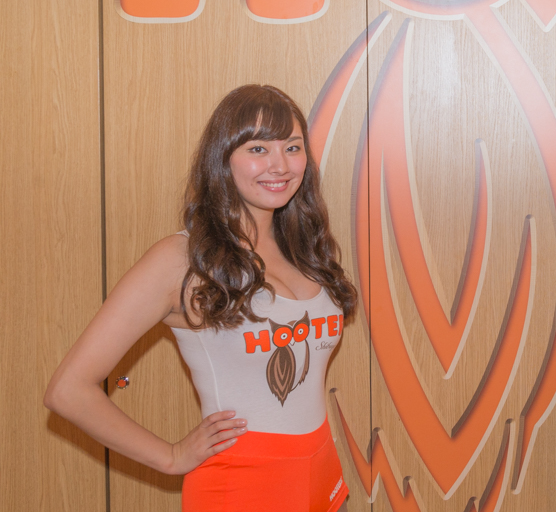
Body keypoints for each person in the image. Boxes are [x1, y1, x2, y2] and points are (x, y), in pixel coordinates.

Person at [45, 85, 357, 511]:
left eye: (292, 147)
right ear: (222, 159)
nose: (281, 165)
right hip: (241, 489)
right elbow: (68, 390)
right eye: (258, 149)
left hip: (323, 478)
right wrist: (171, 457)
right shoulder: (183, 259)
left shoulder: (304, 247)